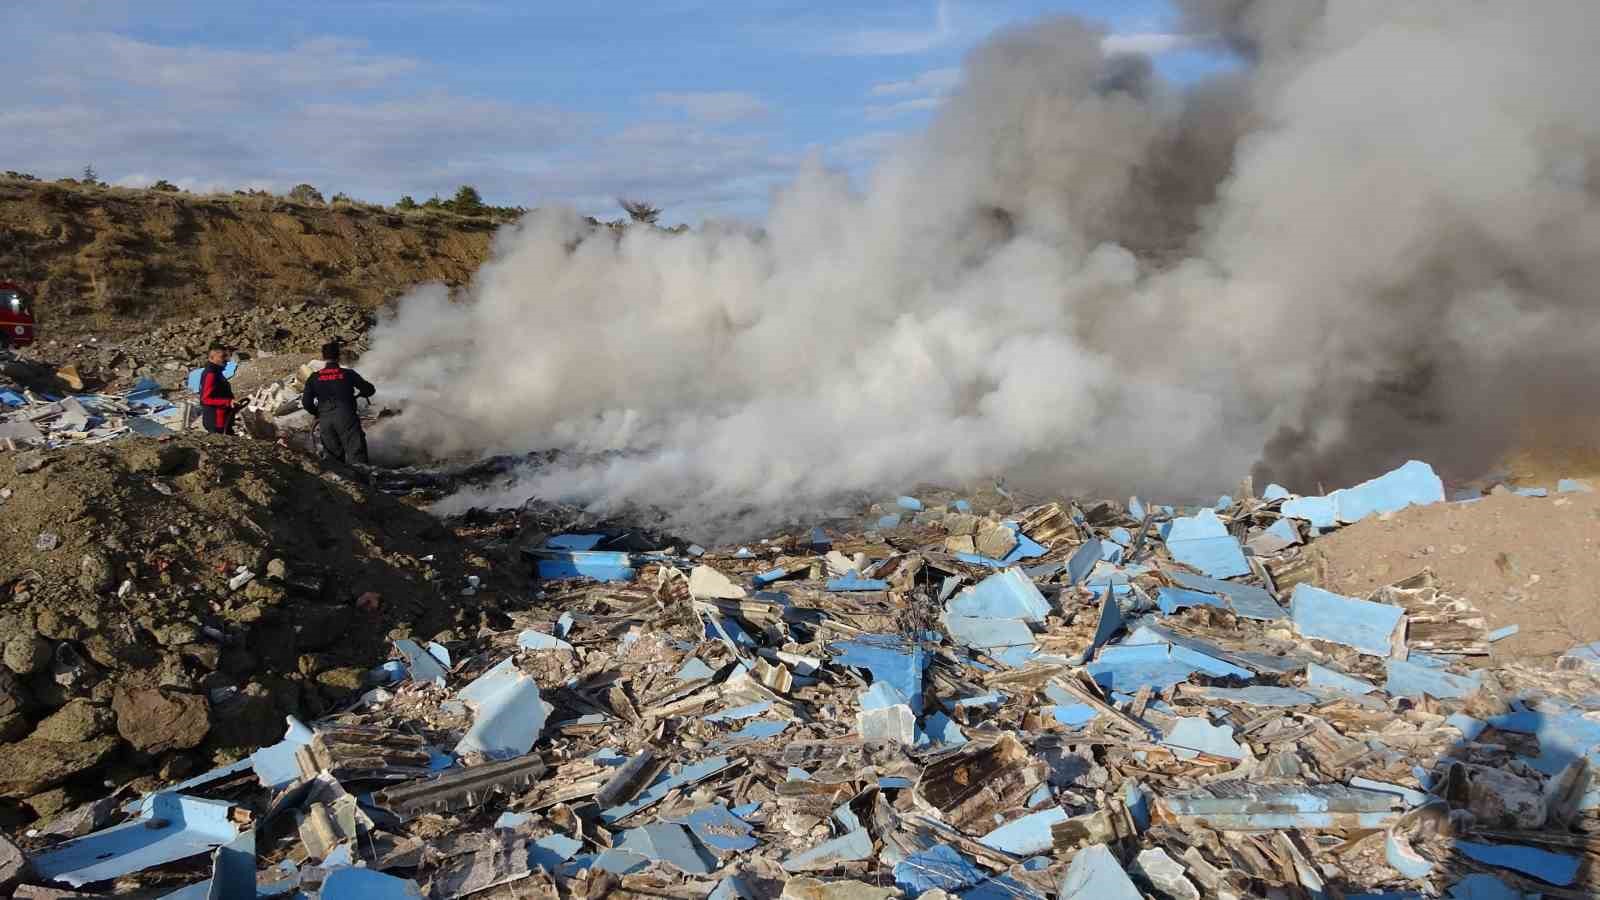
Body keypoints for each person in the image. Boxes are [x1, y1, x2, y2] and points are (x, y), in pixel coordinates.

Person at [302, 341, 376, 465]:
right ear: (338, 356)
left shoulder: (314, 377)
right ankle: (362, 481)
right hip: (347, 418)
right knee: (356, 454)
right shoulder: (348, 374)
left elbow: (306, 402)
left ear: (323, 358)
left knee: (333, 459)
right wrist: (362, 393)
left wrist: (318, 413)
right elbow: (369, 389)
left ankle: (342, 483)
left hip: (325, 420)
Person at [198, 343, 242, 434]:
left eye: (226, 356)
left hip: (224, 420)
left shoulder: (217, 372)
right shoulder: (211, 374)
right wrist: (228, 402)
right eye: (223, 356)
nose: (226, 360)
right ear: (212, 357)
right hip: (216, 422)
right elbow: (205, 399)